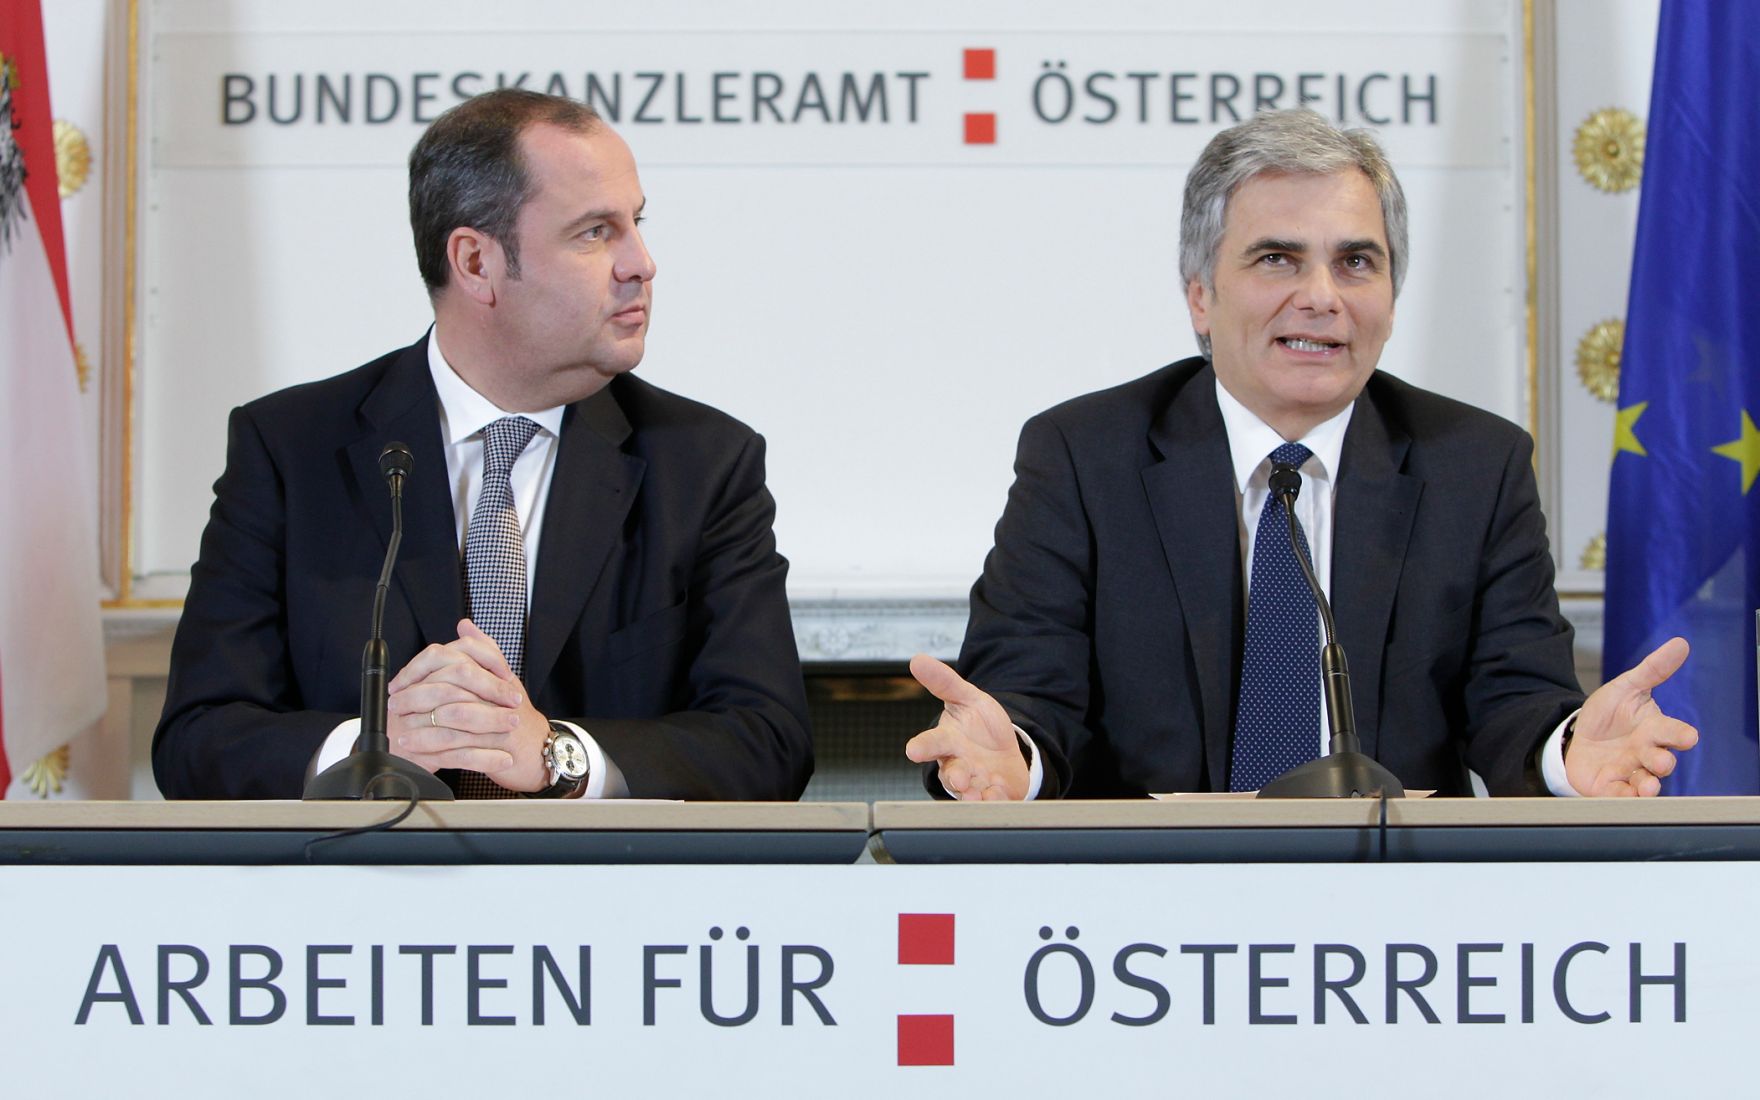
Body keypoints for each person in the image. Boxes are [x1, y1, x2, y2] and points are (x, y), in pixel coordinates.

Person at [906, 109, 1696, 801]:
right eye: (1277, 258)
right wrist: (1014, 758)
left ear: (1391, 295)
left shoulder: (1474, 466)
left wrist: (1565, 758)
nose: (1322, 295)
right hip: (1140, 904)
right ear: (1200, 296)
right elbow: (1031, 696)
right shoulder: (1085, 457)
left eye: (1357, 261)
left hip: (1393, 907)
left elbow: (1517, 699)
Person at [154, 89, 812, 801]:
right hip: (360, 897)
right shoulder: (290, 450)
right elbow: (198, 738)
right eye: (595, 233)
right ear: (475, 263)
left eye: (636, 223)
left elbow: (767, 742)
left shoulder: (704, 464)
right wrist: (376, 744)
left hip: (608, 901)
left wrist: (561, 756)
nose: (641, 264)